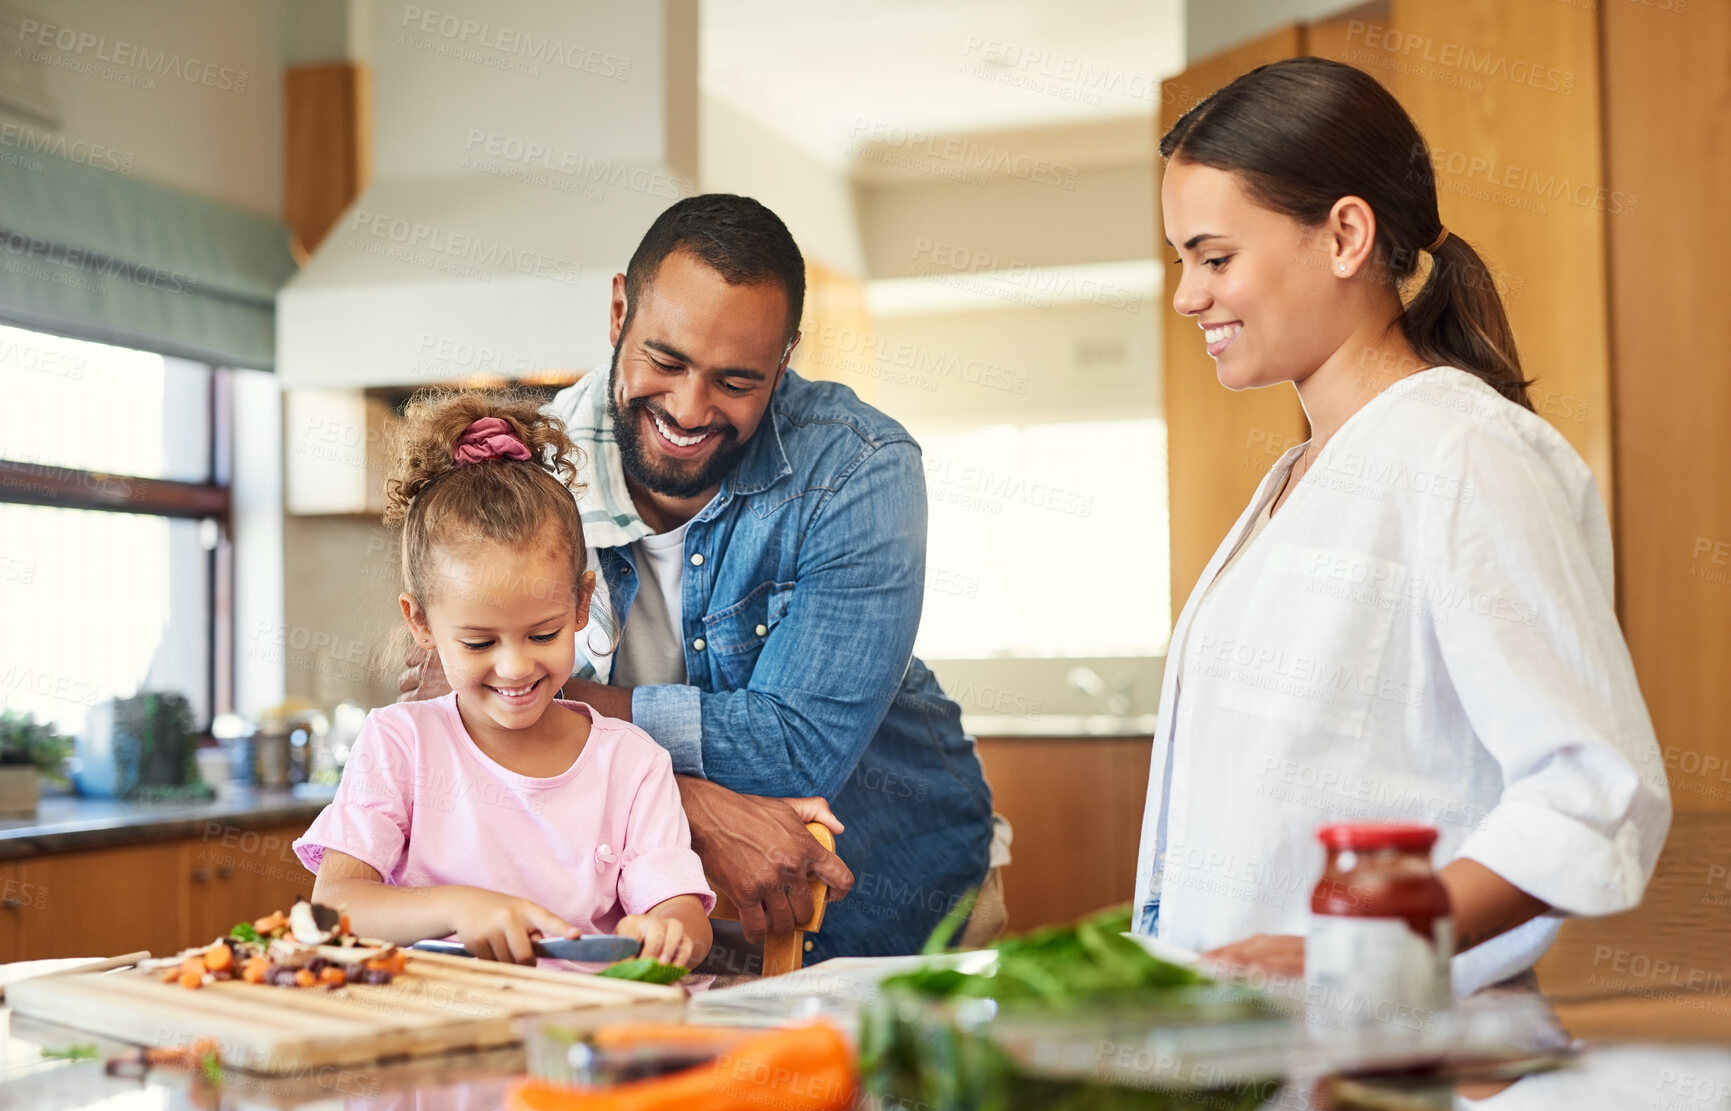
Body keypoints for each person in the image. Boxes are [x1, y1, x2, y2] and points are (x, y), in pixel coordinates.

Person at [1136, 57, 1670, 993]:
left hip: (1395, 1039)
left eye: (1213, 258)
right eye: (1182, 261)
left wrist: (1363, 949)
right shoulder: (1300, 472)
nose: (1187, 296)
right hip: (1256, 1041)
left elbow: (1588, 789)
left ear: (1344, 234)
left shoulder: (1464, 453)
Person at [400, 194, 1006, 964]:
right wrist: (687, 802)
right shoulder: (522, 477)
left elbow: (798, 747)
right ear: (619, 309)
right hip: (643, 931)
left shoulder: (860, 468)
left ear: (782, 363)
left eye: (736, 381)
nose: (689, 409)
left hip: (886, 905)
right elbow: (444, 706)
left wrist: (553, 710)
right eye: (665, 360)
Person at [295, 392, 727, 967]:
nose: (515, 667)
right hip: (427, 1032)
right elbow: (337, 905)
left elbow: (682, 914)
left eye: (543, 635)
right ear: (420, 622)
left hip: (573, 1038)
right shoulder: (400, 744)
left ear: (581, 603)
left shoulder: (630, 763)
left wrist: (673, 932)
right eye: (479, 643)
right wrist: (461, 909)